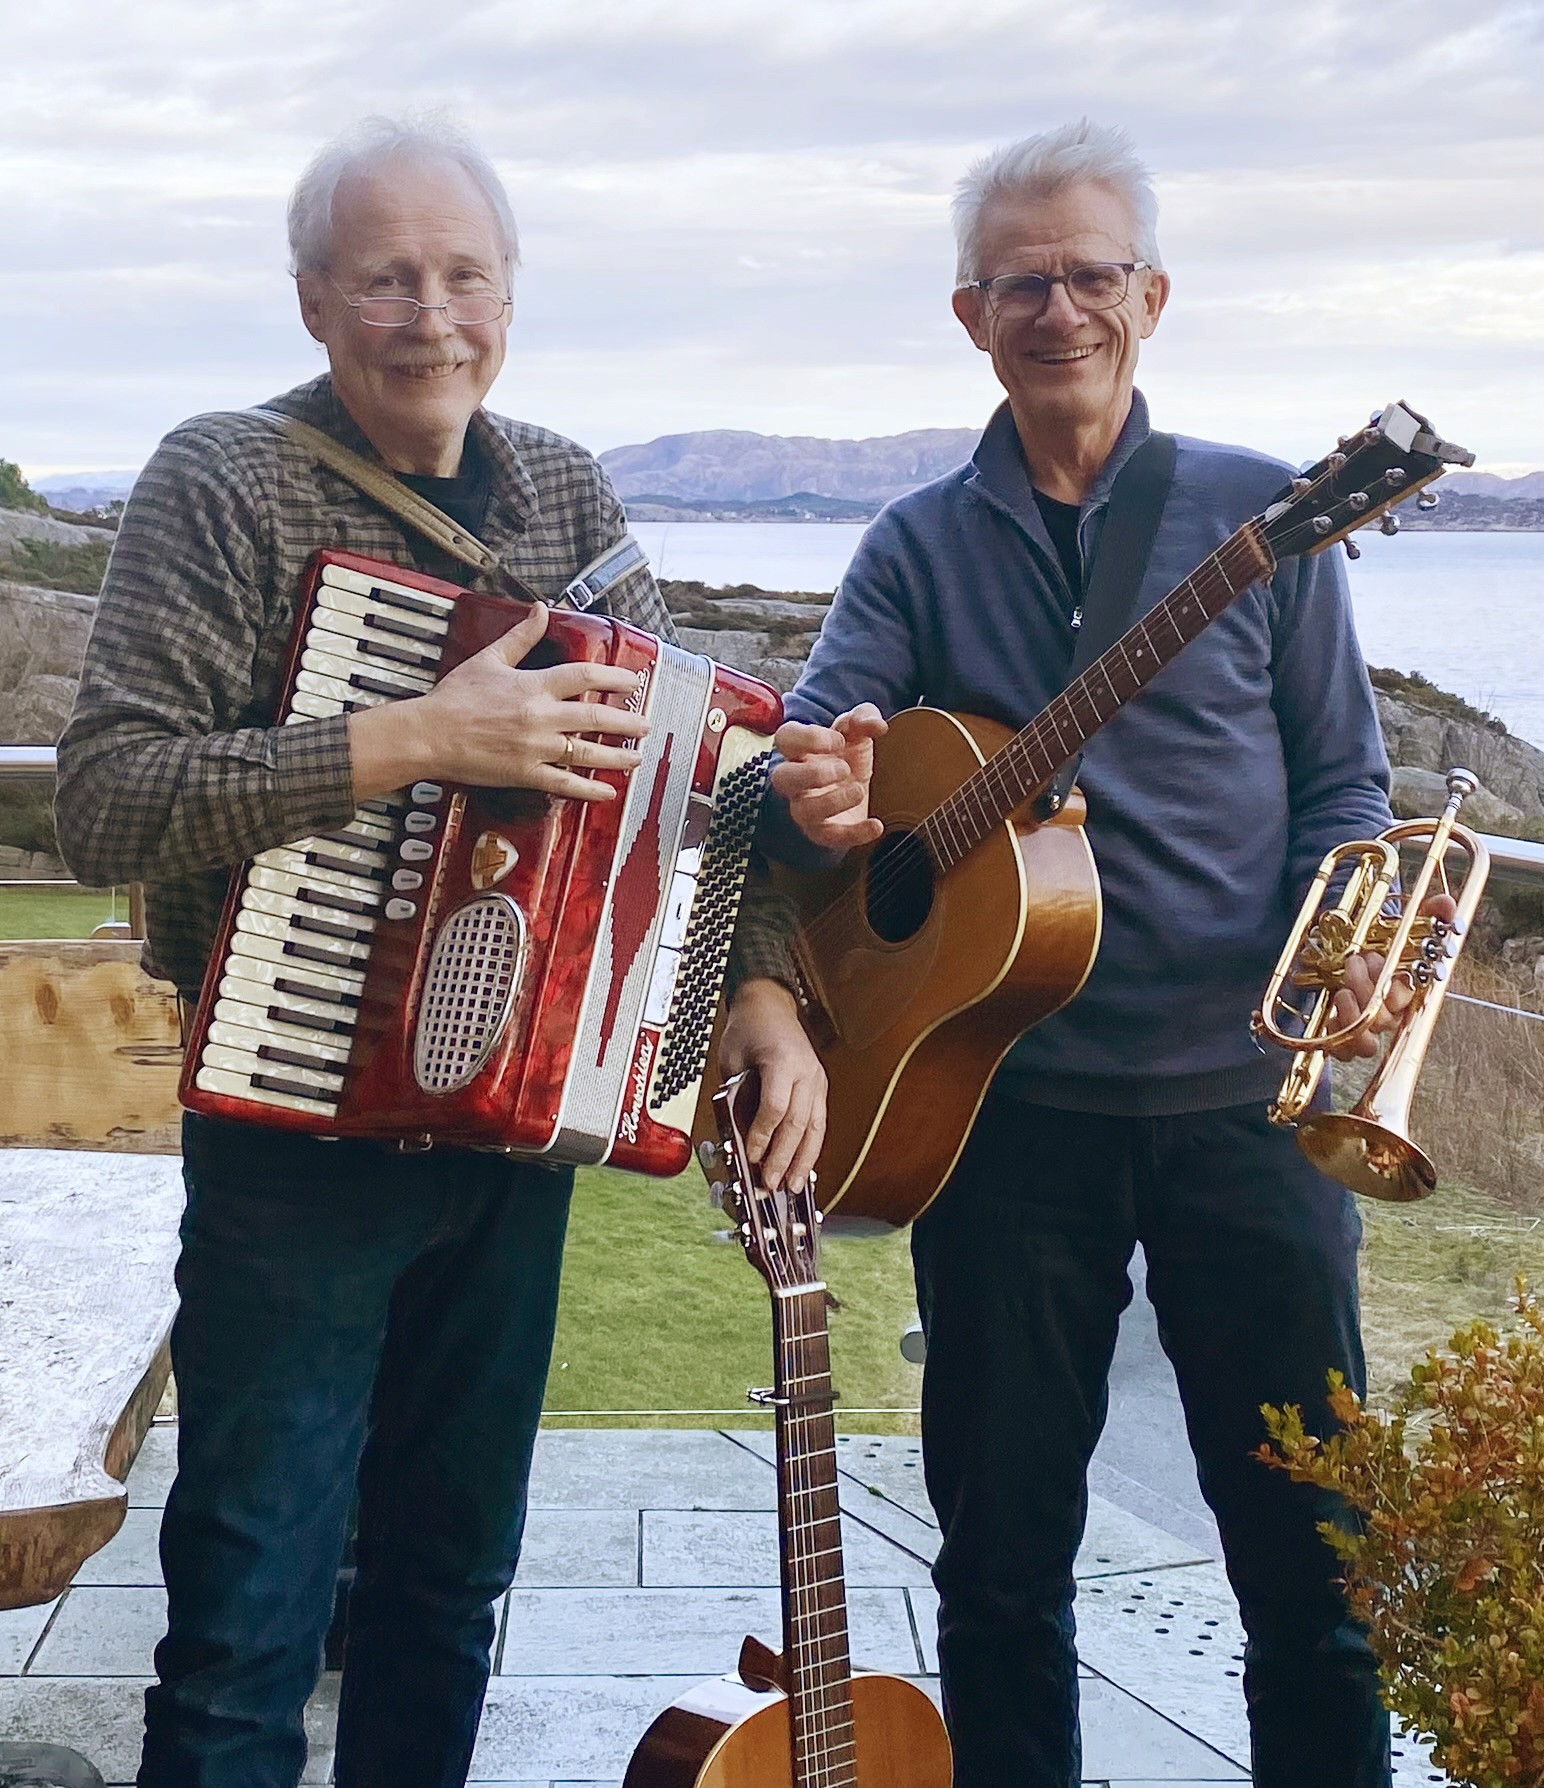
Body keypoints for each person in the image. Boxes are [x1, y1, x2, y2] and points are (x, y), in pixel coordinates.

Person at [53, 116, 820, 1788]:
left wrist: (759, 987)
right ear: (317, 301)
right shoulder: (222, 479)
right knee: (251, 1609)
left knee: (449, 1584)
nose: (431, 314)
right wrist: (409, 738)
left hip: (517, 1134)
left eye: (464, 274)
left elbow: (694, 783)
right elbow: (106, 802)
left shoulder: (561, 484)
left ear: (510, 294)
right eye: (386, 278)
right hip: (290, 1133)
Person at [752, 120, 1411, 1788]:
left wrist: (1347, 948)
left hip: (1244, 1114)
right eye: (1023, 281)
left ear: (1154, 295)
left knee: (1314, 1561)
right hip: (1002, 1110)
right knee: (998, 1558)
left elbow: (1343, 781)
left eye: (1093, 275)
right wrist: (826, 785)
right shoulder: (914, 540)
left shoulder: (1265, 513)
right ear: (972, 316)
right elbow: (830, 740)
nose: (1062, 309)